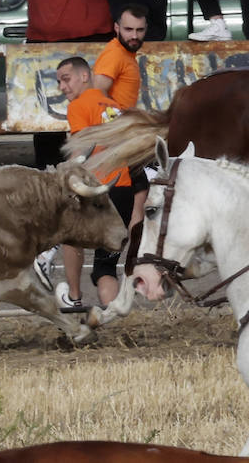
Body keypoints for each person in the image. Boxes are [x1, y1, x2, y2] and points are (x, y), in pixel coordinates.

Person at [51, 55, 147, 310]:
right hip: (124, 190)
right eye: (59, 82)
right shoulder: (113, 106)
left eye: (66, 79)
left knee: (70, 236)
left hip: (100, 190)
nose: (62, 87)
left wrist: (61, 175)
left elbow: (82, 151)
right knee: (105, 266)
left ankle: (73, 297)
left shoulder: (79, 105)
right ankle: (116, 316)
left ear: (85, 76)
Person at [94, 5, 148, 110]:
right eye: (128, 29)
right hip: (116, 124)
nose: (134, 36)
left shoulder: (125, 53)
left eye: (140, 30)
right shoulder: (115, 54)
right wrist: (116, 121)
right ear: (117, 28)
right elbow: (98, 92)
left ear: (146, 29)